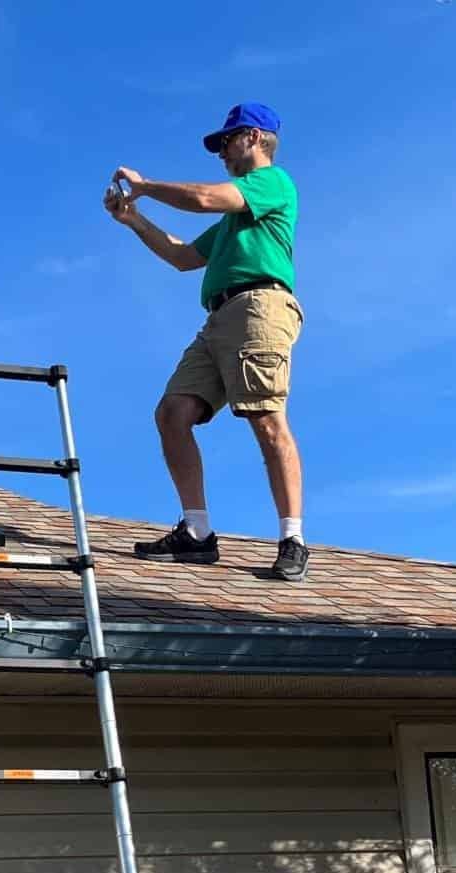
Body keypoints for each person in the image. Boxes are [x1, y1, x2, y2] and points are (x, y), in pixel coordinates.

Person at [104, 102, 308, 582]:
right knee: (172, 412)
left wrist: (147, 187)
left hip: (260, 307)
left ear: (254, 138)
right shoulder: (234, 221)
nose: (220, 152)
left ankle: (293, 539)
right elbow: (182, 257)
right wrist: (134, 219)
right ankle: (197, 534)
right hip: (218, 317)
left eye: (226, 142)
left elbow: (202, 198)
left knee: (266, 417)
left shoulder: (273, 183)